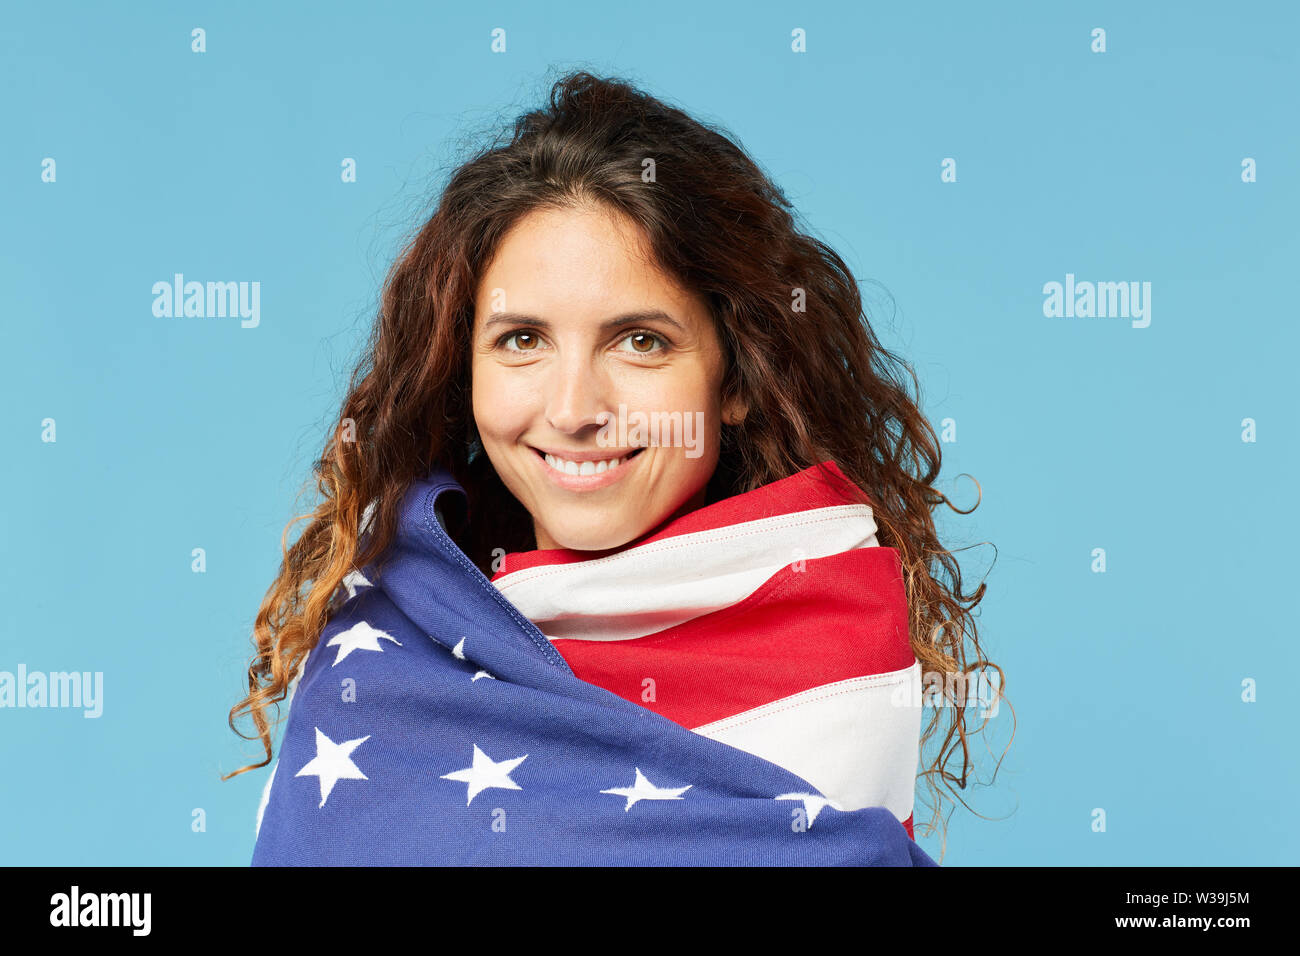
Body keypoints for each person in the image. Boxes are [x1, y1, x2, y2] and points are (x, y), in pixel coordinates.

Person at [225, 70, 1007, 865]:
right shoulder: (384, 666)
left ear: (735, 379)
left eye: (640, 341)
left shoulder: (833, 655)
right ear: (462, 371)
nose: (574, 409)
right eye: (521, 339)